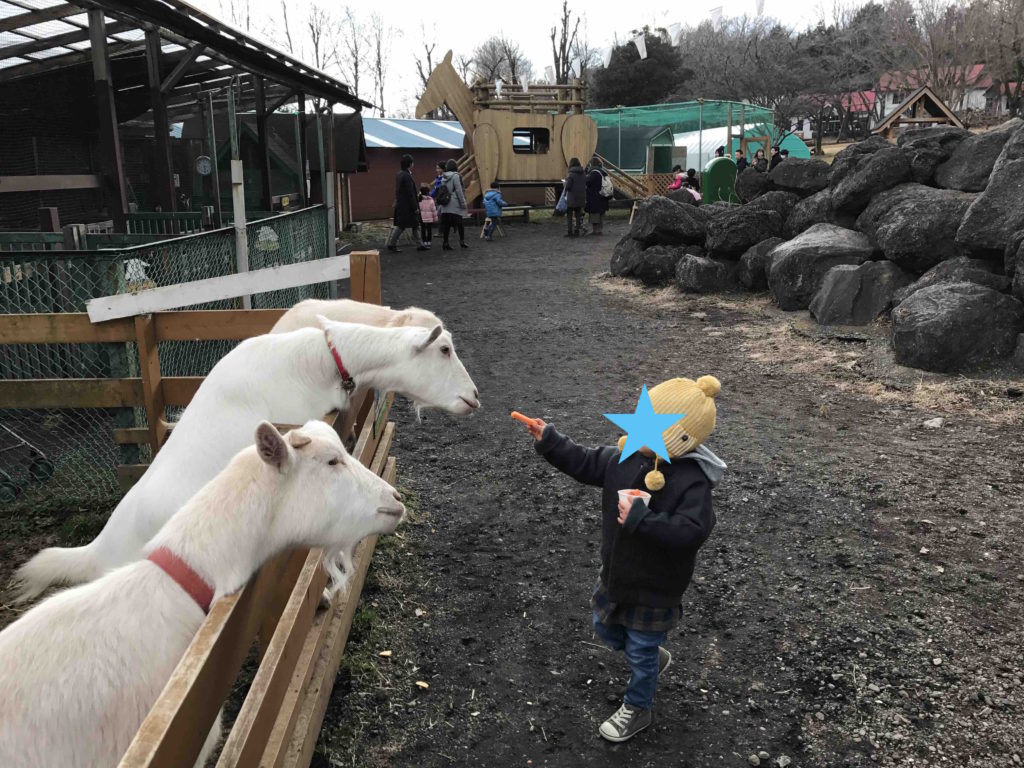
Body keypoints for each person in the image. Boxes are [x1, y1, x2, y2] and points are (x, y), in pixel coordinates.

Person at [518, 376, 726, 743]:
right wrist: (550, 440)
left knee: (640, 648)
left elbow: (691, 532)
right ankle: (648, 655)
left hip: (655, 587)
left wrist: (640, 519)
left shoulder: (691, 483)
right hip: (616, 572)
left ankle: (639, 705)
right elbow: (583, 461)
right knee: (606, 629)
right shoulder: (623, 458)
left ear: (679, 438)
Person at [386, 153, 424, 253]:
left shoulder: (399, 174)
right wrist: (415, 207)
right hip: (408, 206)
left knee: (414, 225)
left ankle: (420, 244)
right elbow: (410, 193)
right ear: (410, 164)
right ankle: (392, 244)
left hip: (402, 204)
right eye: (412, 163)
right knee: (402, 225)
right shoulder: (407, 176)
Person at [437, 158, 468, 250]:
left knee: (446, 224)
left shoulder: (443, 177)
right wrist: (463, 203)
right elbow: (459, 190)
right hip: (455, 204)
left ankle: (445, 242)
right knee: (460, 223)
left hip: (445, 204)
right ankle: (462, 241)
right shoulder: (456, 176)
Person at [585, 156, 610, 235]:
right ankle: (600, 229)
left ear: (592, 164)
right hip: (603, 195)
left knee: (595, 215)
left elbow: (587, 182)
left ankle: (596, 230)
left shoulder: (594, 173)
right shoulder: (603, 172)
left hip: (594, 197)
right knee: (601, 214)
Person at [564, 157, 586, 237]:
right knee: (578, 214)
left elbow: (568, 186)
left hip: (572, 197)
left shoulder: (571, 174)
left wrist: (565, 183)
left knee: (569, 214)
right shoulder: (583, 173)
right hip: (581, 196)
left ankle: (570, 231)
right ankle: (577, 230)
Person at [418, 184, 438, 249]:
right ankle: (429, 241)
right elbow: (434, 210)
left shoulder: (419, 199)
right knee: (429, 230)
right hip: (430, 218)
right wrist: (435, 218)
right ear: (428, 192)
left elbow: (418, 210)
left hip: (422, 218)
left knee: (423, 230)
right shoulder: (431, 200)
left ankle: (424, 241)